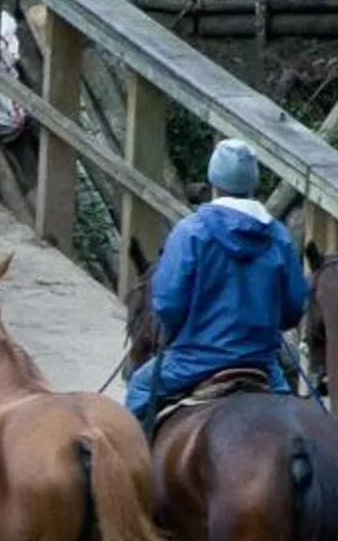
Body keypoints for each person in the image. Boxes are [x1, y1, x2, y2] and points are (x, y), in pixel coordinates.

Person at [124, 138, 309, 428]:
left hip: (194, 360)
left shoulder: (191, 232)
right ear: (253, 181)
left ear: (213, 180)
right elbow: (293, 309)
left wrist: (175, 330)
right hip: (261, 363)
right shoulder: (278, 236)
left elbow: (168, 304)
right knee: (302, 421)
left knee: (139, 389)